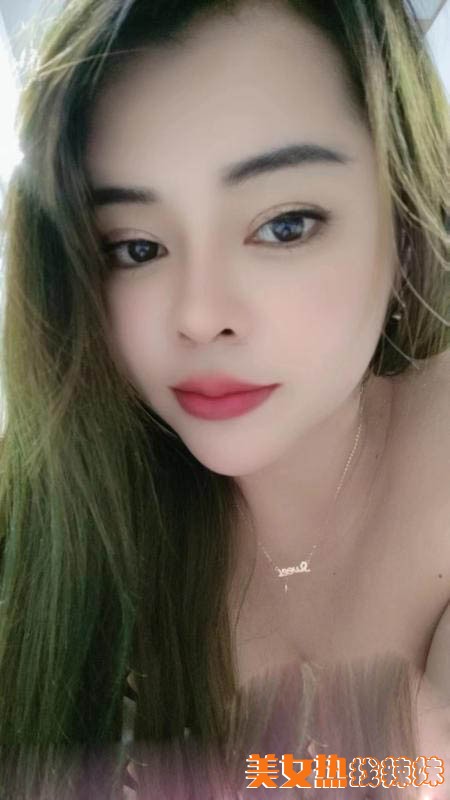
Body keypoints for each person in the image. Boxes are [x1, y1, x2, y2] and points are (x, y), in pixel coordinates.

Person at [0, 0, 448, 797]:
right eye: (136, 247)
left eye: (285, 227)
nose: (200, 316)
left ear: (404, 224)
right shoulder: (52, 507)